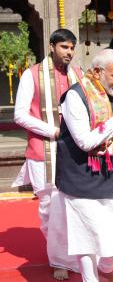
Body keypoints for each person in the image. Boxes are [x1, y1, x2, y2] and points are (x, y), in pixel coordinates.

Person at [52, 49, 113, 282]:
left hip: (111, 171)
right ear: (99, 72)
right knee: (87, 235)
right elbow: (85, 141)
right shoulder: (76, 96)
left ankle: (107, 268)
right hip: (81, 174)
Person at [12, 29, 83, 280]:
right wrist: (53, 132)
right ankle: (59, 260)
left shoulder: (78, 75)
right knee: (50, 208)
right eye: (64, 47)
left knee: (71, 206)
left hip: (73, 152)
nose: (69, 53)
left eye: (72, 48)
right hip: (43, 152)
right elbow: (20, 115)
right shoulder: (31, 76)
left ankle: (72, 253)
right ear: (52, 46)